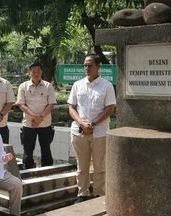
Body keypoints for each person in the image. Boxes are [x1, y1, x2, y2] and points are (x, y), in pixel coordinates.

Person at [67, 54, 116, 203]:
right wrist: (82, 123)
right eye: (85, 65)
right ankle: (82, 194)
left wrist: (93, 124)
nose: (87, 68)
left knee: (100, 167)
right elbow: (71, 107)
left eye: (90, 65)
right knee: (82, 166)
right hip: (79, 132)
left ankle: (98, 195)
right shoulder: (78, 85)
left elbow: (109, 108)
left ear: (98, 67)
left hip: (99, 132)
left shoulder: (106, 86)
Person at [16, 63, 56, 169]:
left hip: (45, 124)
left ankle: (47, 172)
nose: (36, 74)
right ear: (29, 73)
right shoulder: (23, 86)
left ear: (41, 72)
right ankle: (28, 171)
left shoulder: (48, 86)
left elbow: (51, 104)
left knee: (46, 149)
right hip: (29, 124)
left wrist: (40, 117)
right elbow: (21, 104)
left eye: (38, 71)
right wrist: (34, 116)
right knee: (28, 150)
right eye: (33, 71)